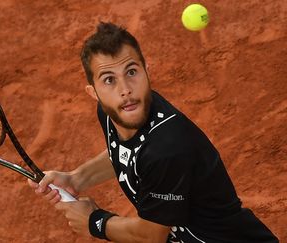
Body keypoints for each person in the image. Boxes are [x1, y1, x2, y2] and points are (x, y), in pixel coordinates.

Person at [28, 22, 278, 242]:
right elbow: (128, 152)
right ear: (93, 92)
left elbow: (151, 235)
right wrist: (77, 178)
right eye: (109, 79)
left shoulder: (168, 147)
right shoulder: (112, 112)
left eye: (132, 72)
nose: (125, 89)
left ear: (147, 71)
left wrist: (95, 221)